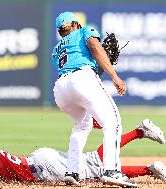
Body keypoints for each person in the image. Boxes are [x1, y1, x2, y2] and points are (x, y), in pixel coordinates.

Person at [0, 119, 166, 187]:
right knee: (93, 166)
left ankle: (142, 141)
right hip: (41, 160)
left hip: (44, 168)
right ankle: (148, 160)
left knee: (95, 168)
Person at [52, 11, 132, 187]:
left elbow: (85, 66)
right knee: (113, 123)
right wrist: (114, 75)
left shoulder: (56, 49)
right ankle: (112, 171)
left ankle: (72, 172)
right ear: (76, 24)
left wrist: (100, 65)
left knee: (81, 126)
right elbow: (95, 47)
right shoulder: (84, 31)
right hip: (81, 79)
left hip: (60, 89)